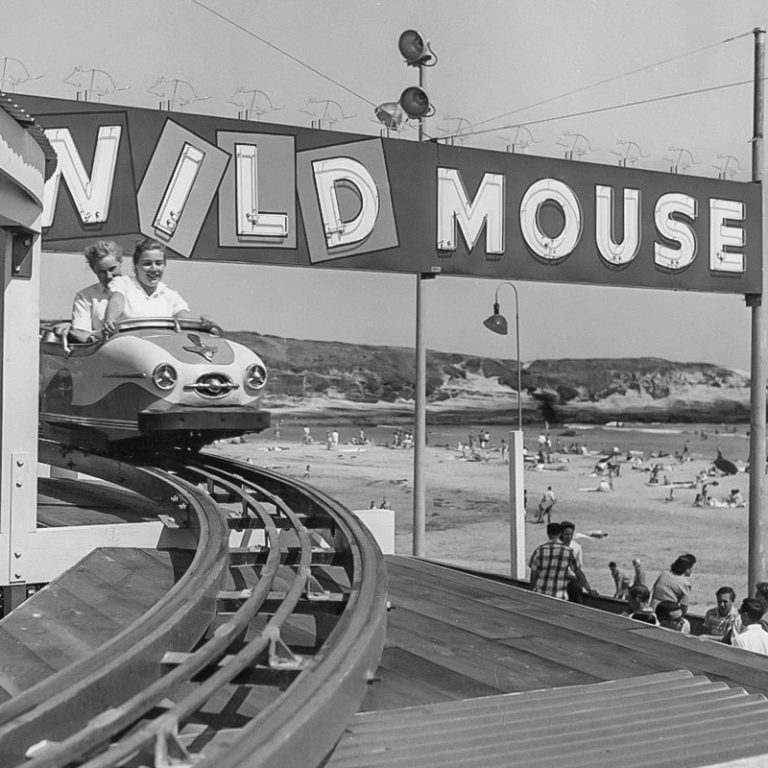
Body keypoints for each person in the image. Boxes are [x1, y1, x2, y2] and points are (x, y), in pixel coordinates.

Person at [103, 238, 190, 331]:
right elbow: (116, 300)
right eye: (147, 263)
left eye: (159, 263)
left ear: (164, 265)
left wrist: (204, 324)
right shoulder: (123, 283)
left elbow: (184, 319)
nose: (154, 268)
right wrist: (111, 318)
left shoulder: (171, 295)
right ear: (136, 265)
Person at [56, 240, 124, 342]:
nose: (108, 276)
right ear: (94, 270)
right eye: (102, 271)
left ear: (120, 263)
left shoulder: (138, 289)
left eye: (112, 269)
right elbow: (83, 335)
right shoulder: (85, 297)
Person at [528, 522, 595, 601]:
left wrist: (532, 591)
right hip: (559, 596)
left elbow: (533, 575)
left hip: (541, 593)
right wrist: (589, 590)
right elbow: (578, 572)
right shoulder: (568, 551)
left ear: (548, 534)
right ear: (560, 534)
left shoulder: (539, 550)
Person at [560, 520, 584, 603]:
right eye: (566, 534)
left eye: (571, 534)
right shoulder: (557, 547)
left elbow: (578, 567)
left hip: (573, 581)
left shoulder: (577, 548)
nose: (569, 537)